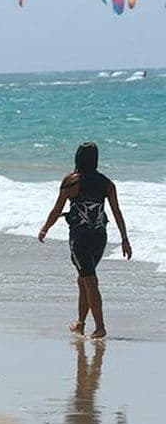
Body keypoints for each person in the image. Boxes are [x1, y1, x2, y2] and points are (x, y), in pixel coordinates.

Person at [38, 142, 131, 339]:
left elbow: (57, 209)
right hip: (99, 238)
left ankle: (100, 328)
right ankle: (80, 324)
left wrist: (45, 228)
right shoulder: (107, 183)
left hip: (79, 240)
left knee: (90, 281)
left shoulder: (71, 182)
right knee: (84, 280)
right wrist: (124, 239)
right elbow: (116, 212)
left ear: (78, 158)